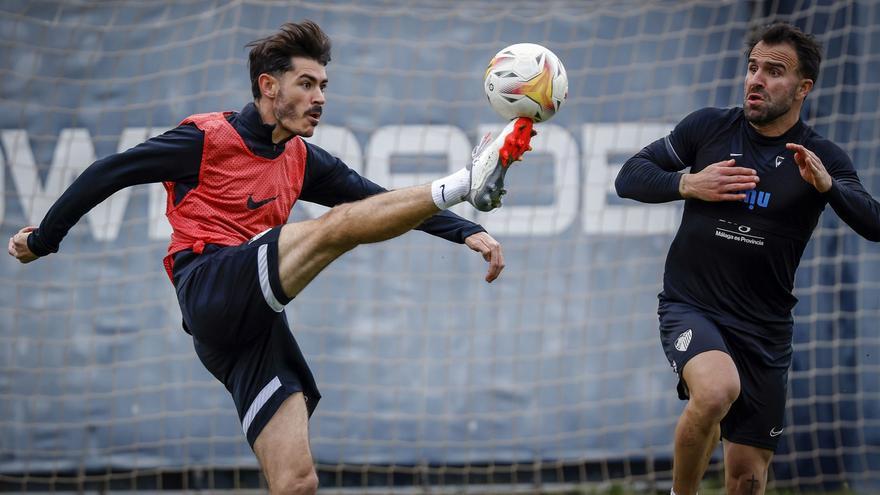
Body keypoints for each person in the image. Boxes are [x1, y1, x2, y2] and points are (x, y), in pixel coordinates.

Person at [7, 21, 536, 495]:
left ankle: (465, 189)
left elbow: (374, 198)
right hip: (209, 284)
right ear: (268, 86)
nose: (319, 97)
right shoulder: (206, 138)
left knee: (297, 481)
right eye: (307, 84)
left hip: (250, 330)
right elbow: (108, 171)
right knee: (335, 229)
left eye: (323, 86)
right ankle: (467, 180)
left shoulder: (302, 158)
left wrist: (466, 231)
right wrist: (45, 239)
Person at [615, 22, 880, 495]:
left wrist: (829, 188)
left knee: (747, 478)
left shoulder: (821, 157)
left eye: (773, 71)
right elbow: (629, 176)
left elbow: (875, 224)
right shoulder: (709, 127)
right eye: (753, 67)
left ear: (803, 88)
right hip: (693, 306)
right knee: (716, 390)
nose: (756, 79)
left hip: (765, 330)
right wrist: (687, 183)